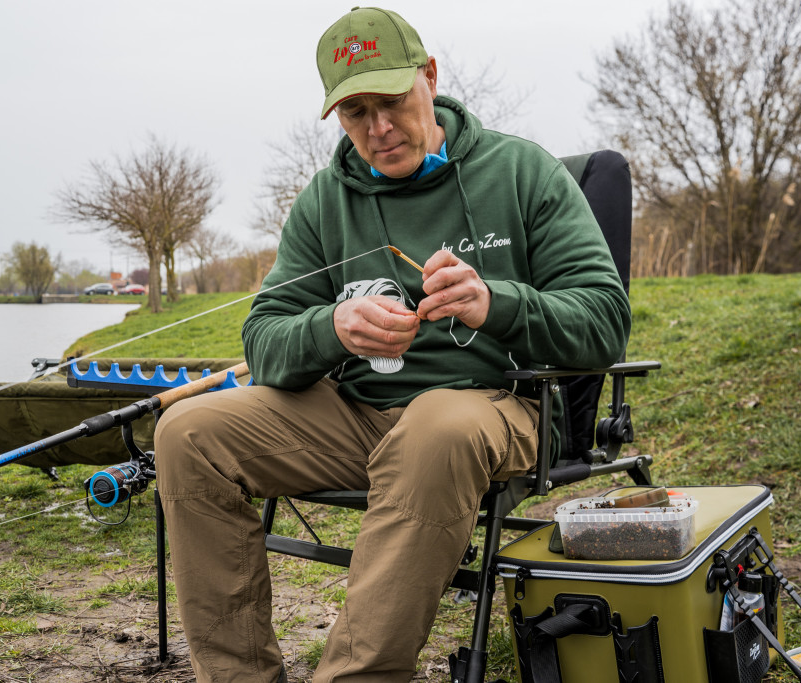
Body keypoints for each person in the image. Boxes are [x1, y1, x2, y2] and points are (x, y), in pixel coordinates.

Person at [154, 7, 631, 682]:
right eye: (355, 113)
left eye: (392, 102)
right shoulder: (326, 199)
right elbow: (264, 341)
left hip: (499, 405)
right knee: (188, 431)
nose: (378, 129)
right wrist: (332, 328)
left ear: (429, 78)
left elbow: (605, 321)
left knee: (434, 425)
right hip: (357, 413)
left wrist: (497, 303)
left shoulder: (521, 172)